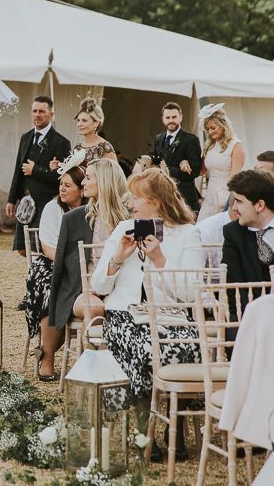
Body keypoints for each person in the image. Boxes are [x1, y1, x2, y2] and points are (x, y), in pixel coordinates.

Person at [91, 168, 202, 457]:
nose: (131, 204)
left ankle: (173, 428)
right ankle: (144, 433)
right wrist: (118, 257)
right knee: (142, 347)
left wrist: (160, 259)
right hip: (124, 316)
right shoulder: (122, 229)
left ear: (157, 201)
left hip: (170, 316)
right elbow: (98, 285)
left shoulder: (188, 233)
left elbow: (191, 293)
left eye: (137, 198)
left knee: (185, 345)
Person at [47, 159, 129, 371]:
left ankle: (112, 369)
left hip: (117, 285)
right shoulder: (73, 218)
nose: (83, 182)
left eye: (89, 177)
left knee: (120, 306)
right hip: (82, 289)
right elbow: (61, 268)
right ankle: (91, 372)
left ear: (104, 181)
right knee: (96, 307)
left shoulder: (128, 219)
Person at [21, 161, 86, 381]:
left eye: (68, 185)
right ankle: (47, 359)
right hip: (51, 263)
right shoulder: (53, 208)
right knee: (51, 288)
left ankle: (52, 351)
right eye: (61, 184)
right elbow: (47, 246)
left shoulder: (92, 209)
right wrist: (70, 264)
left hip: (84, 266)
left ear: (82, 189)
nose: (62, 189)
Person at [6, 96, 71, 256]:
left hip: (46, 201)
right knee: (22, 248)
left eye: (42, 111)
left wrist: (35, 170)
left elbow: (61, 177)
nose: (37, 115)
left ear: (51, 114)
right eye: (34, 111)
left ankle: (43, 276)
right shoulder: (26, 137)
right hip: (26, 202)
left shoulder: (61, 142)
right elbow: (18, 170)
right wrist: (12, 199)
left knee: (41, 246)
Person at [222, 169, 274, 317]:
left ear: (259, 205)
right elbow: (233, 288)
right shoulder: (233, 233)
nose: (233, 208)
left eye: (239, 202)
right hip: (247, 316)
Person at [197, 104, 245, 222]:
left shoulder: (235, 145)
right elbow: (201, 171)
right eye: (207, 129)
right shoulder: (209, 146)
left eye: (213, 128)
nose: (210, 132)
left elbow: (235, 178)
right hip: (210, 195)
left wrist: (229, 201)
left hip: (226, 195)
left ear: (223, 125)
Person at [153, 101, 202, 213]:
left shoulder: (191, 140)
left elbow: (195, 171)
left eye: (174, 117)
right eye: (168, 117)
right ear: (163, 119)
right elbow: (156, 163)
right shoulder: (159, 138)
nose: (171, 120)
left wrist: (165, 170)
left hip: (184, 196)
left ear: (181, 117)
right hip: (162, 195)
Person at [70, 96, 117, 168]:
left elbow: (112, 175)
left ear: (96, 123)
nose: (79, 124)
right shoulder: (78, 147)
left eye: (84, 120)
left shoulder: (104, 148)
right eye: (78, 120)